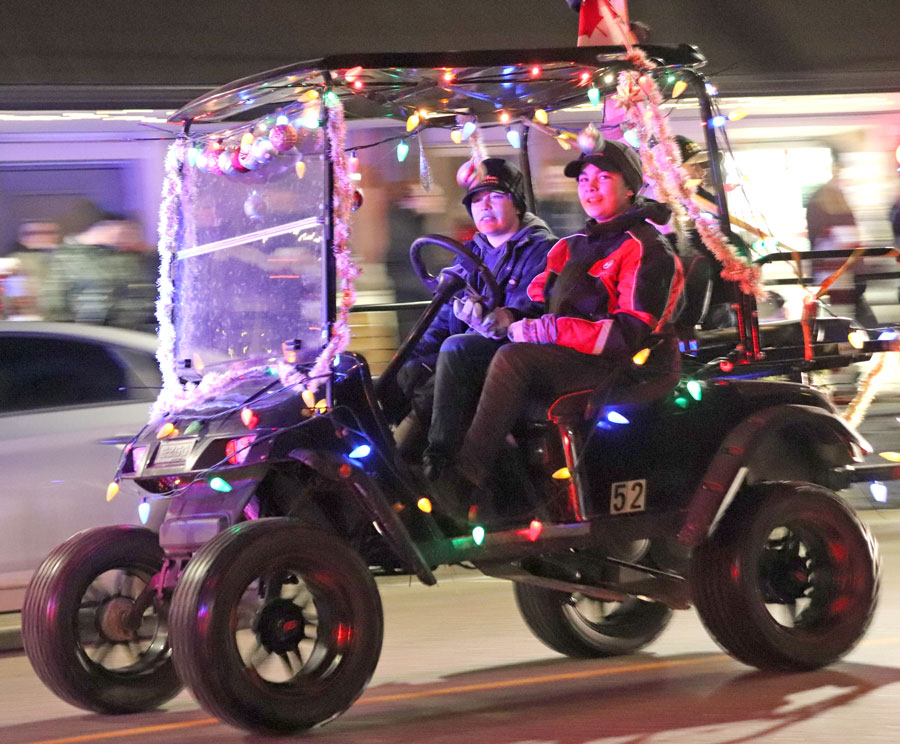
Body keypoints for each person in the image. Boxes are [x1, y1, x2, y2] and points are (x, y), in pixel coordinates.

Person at [432, 140, 683, 525]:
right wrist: (501, 318)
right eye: (583, 180)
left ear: (630, 188)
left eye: (603, 178)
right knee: (460, 348)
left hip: (620, 365)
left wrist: (540, 330)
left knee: (512, 360)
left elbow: (624, 335)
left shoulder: (646, 248)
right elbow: (536, 306)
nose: (590, 187)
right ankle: (439, 464)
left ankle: (466, 482)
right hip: (569, 353)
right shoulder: (573, 246)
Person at [393, 158, 556, 462]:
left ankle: (439, 459)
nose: (485, 206)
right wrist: (409, 358)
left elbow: (530, 311)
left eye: (495, 196)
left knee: (456, 349)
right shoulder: (471, 254)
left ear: (516, 204)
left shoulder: (542, 251)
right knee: (407, 369)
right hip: (468, 356)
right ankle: (385, 458)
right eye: (477, 200)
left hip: (511, 355)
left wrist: (496, 319)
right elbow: (443, 317)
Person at [805, 156, 877, 328]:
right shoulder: (831, 200)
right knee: (846, 310)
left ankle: (843, 334)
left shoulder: (824, 199)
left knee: (840, 310)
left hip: (836, 268)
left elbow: (817, 236)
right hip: (839, 267)